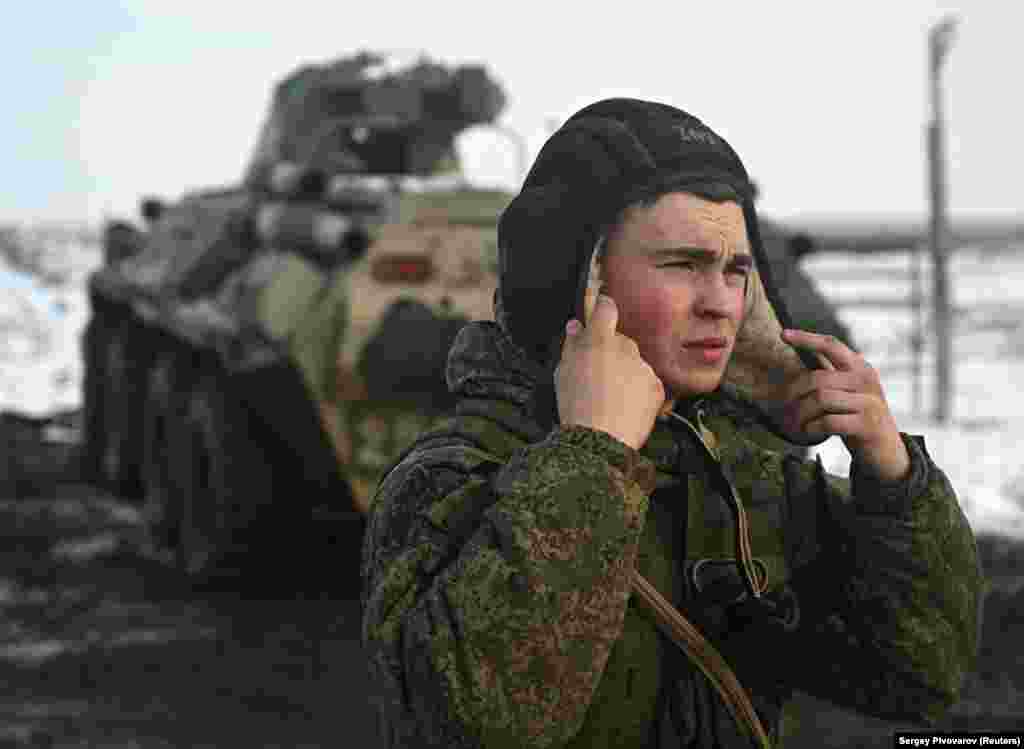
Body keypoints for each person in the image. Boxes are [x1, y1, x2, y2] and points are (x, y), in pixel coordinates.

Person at [361, 98, 981, 747]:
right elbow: (471, 727)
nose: (719, 303)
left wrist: (895, 481)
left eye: (737, 270)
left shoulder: (740, 472)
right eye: (683, 264)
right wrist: (590, 459)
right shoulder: (453, 475)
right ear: (578, 278)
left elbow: (919, 674)